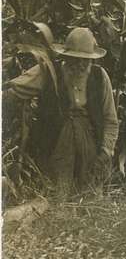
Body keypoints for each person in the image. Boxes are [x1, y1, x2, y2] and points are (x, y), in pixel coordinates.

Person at [2, 27, 119, 195]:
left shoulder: (100, 77)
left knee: (90, 196)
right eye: (75, 59)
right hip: (57, 142)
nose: (79, 64)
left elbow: (110, 120)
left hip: (91, 144)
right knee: (57, 194)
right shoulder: (49, 72)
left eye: (85, 60)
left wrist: (106, 150)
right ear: (66, 56)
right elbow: (15, 90)